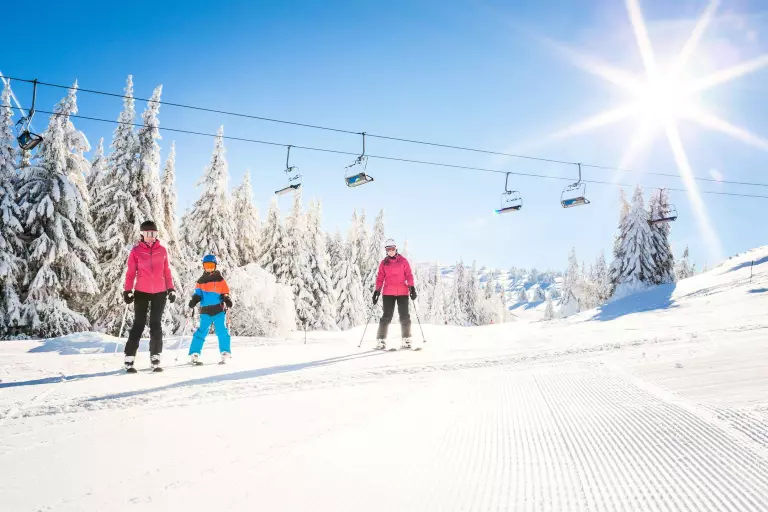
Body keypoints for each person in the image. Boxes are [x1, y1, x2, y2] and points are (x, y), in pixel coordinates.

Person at [123, 220, 176, 372]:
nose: (151, 236)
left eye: (153, 233)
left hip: (160, 292)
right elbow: (130, 273)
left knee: (155, 324)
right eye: (147, 233)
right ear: (142, 234)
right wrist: (127, 290)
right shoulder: (136, 251)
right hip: (141, 292)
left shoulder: (162, 251)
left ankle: (155, 357)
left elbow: (167, 272)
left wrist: (171, 289)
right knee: (139, 324)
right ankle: (129, 357)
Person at [187, 254, 233, 364]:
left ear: (215, 266)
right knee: (202, 331)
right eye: (206, 266)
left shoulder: (220, 280)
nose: (209, 268)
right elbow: (198, 294)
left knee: (222, 330)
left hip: (218, 310)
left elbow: (225, 292)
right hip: (205, 311)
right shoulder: (200, 281)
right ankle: (195, 353)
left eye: (211, 266)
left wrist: (227, 299)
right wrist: (194, 300)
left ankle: (225, 352)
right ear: (203, 266)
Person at [373, 238, 417, 349]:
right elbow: (380, 278)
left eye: (392, 249)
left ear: (396, 248)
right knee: (386, 316)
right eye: (388, 249)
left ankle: (406, 339)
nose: (390, 251)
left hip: (403, 292)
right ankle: (381, 340)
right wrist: (377, 291)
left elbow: (409, 275)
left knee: (404, 316)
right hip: (388, 293)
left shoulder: (403, 261)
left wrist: (412, 287)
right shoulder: (384, 263)